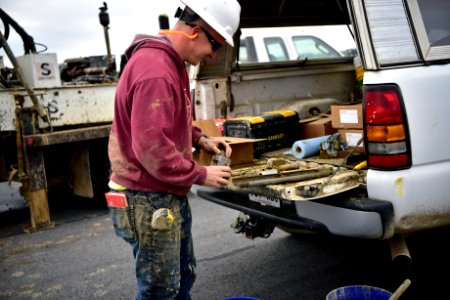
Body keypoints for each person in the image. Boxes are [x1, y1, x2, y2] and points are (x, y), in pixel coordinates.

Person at [106, 0, 241, 299]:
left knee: (180, 280)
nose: (213, 54)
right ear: (195, 31)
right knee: (160, 292)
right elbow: (152, 149)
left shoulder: (170, 63)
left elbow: (169, 121)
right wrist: (200, 173)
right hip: (147, 197)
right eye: (215, 44)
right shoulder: (155, 69)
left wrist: (200, 139)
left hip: (162, 192)